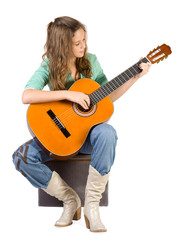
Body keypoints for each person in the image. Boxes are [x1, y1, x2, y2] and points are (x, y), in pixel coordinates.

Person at [12, 16, 151, 232]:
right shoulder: (49, 65)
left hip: (86, 137)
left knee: (107, 132)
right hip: (59, 138)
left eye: (84, 40)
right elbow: (27, 95)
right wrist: (70, 95)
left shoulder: (91, 61)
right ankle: (70, 200)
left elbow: (108, 97)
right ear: (62, 45)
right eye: (77, 43)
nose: (83, 46)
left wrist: (135, 78)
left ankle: (92, 206)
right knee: (21, 157)